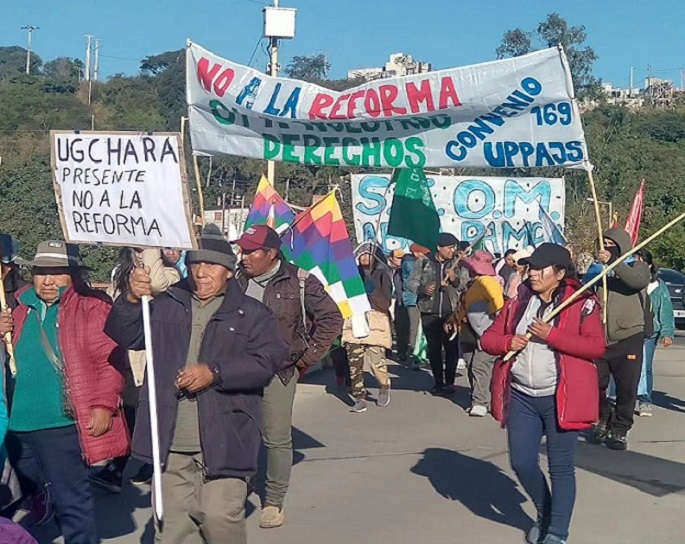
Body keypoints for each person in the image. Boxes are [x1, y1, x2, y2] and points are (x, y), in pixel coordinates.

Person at [105, 234, 289, 544]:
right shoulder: (166, 303)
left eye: (211, 265)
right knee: (173, 527)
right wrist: (132, 300)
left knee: (219, 517)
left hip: (224, 437)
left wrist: (215, 373)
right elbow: (126, 335)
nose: (202, 272)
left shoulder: (250, 313)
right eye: (195, 264)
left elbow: (267, 361)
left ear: (229, 271)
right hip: (170, 437)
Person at [2, 241, 129, 544]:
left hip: (60, 424)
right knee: (23, 500)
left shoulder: (92, 308)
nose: (47, 280)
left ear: (73, 275)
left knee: (72, 503)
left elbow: (109, 361)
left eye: (57, 272)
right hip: (16, 427)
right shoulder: (18, 309)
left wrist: (103, 404)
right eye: (41, 272)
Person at [481, 244, 605, 544]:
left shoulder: (582, 302)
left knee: (561, 468)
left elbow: (595, 347)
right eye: (530, 267)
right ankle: (545, 512)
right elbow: (488, 338)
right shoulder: (518, 301)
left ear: (560, 273)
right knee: (522, 462)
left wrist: (553, 336)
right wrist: (508, 342)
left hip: (561, 396)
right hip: (522, 395)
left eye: (540, 268)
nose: (532, 273)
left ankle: (557, 532)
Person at [233, 225, 342, 529]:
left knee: (276, 437)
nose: (244, 257)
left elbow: (332, 318)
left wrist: (306, 358)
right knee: (239, 432)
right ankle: (240, 487)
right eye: (242, 250)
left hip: (278, 372)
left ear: (271, 253)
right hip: (237, 371)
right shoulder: (236, 280)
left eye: (251, 251)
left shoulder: (300, 281)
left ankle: (274, 501)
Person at [591, 228, 650, 450]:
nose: (606, 246)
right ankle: (603, 416)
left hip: (628, 337)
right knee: (594, 383)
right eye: (603, 242)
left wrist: (614, 262)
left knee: (627, 388)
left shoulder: (638, 266)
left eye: (611, 242)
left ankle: (620, 428)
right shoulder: (597, 270)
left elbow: (636, 282)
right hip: (599, 337)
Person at [406, 233, 463, 394]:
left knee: (451, 349)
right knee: (434, 349)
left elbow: (463, 285)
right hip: (429, 312)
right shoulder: (424, 261)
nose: (452, 251)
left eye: (454, 247)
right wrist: (423, 289)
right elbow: (410, 282)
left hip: (450, 313)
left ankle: (450, 382)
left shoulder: (456, 264)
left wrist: (455, 280)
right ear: (439, 247)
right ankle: (438, 382)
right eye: (449, 247)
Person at [342, 243, 393, 413]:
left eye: (368, 255)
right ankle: (359, 397)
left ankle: (384, 386)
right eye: (362, 255)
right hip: (354, 320)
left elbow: (386, 302)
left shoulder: (382, 274)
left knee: (376, 360)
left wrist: (372, 291)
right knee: (354, 362)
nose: (365, 258)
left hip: (375, 321)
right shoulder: (352, 274)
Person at [457, 250, 504, 417]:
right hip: (470, 330)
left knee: (480, 365)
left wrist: (497, 331)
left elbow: (499, 306)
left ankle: (480, 402)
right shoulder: (473, 283)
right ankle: (480, 397)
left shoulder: (488, 283)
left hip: (486, 331)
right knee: (472, 365)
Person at [635, 249, 674, 417]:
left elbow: (666, 309)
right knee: (628, 367)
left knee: (646, 366)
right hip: (630, 331)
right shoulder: (630, 283)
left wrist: (668, 332)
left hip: (650, 331)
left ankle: (645, 400)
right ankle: (623, 399)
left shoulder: (658, 285)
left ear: (649, 265)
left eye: (642, 261)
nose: (639, 265)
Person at [404, 243, 430, 370]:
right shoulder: (410, 264)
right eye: (423, 253)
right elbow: (415, 281)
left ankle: (422, 354)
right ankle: (415, 355)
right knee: (415, 328)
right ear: (416, 253)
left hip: (422, 299)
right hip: (413, 300)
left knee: (423, 328)